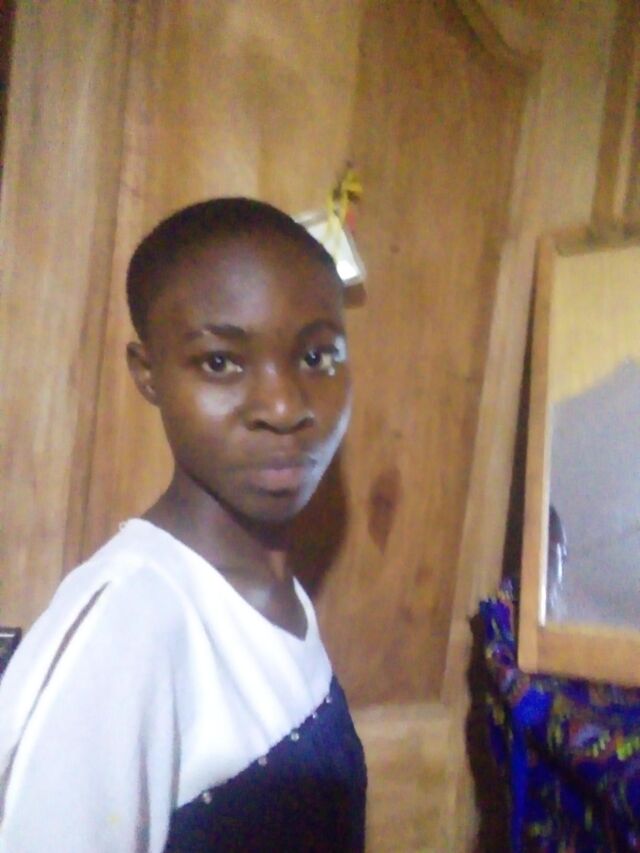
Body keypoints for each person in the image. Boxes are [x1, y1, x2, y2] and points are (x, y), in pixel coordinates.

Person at [0, 198, 367, 852]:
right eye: (221, 362)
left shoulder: (275, 595)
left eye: (316, 356)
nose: (284, 406)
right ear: (149, 375)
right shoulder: (126, 632)